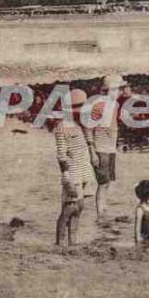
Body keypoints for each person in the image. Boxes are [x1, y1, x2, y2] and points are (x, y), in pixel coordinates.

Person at [54, 89, 97, 249]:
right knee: (68, 210)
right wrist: (66, 177)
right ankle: (59, 244)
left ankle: (73, 242)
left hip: (84, 171)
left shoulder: (79, 125)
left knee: (78, 209)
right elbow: (61, 155)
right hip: (72, 173)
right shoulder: (62, 127)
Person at [87, 73, 130, 219]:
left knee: (108, 182)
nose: (121, 91)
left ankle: (103, 210)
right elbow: (88, 127)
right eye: (118, 89)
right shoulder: (99, 105)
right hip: (100, 149)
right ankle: (100, 214)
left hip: (110, 149)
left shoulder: (115, 104)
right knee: (103, 183)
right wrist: (92, 152)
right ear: (111, 90)